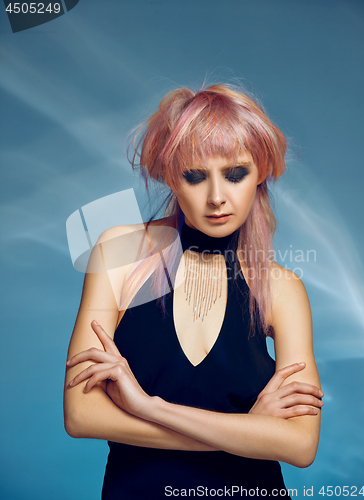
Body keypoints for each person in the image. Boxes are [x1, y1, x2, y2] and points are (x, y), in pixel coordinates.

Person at [63, 84, 324, 499]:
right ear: (171, 176)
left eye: (235, 173)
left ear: (260, 173)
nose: (217, 197)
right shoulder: (120, 253)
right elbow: (81, 415)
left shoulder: (282, 288)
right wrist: (248, 431)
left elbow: (300, 445)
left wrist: (150, 408)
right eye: (195, 176)